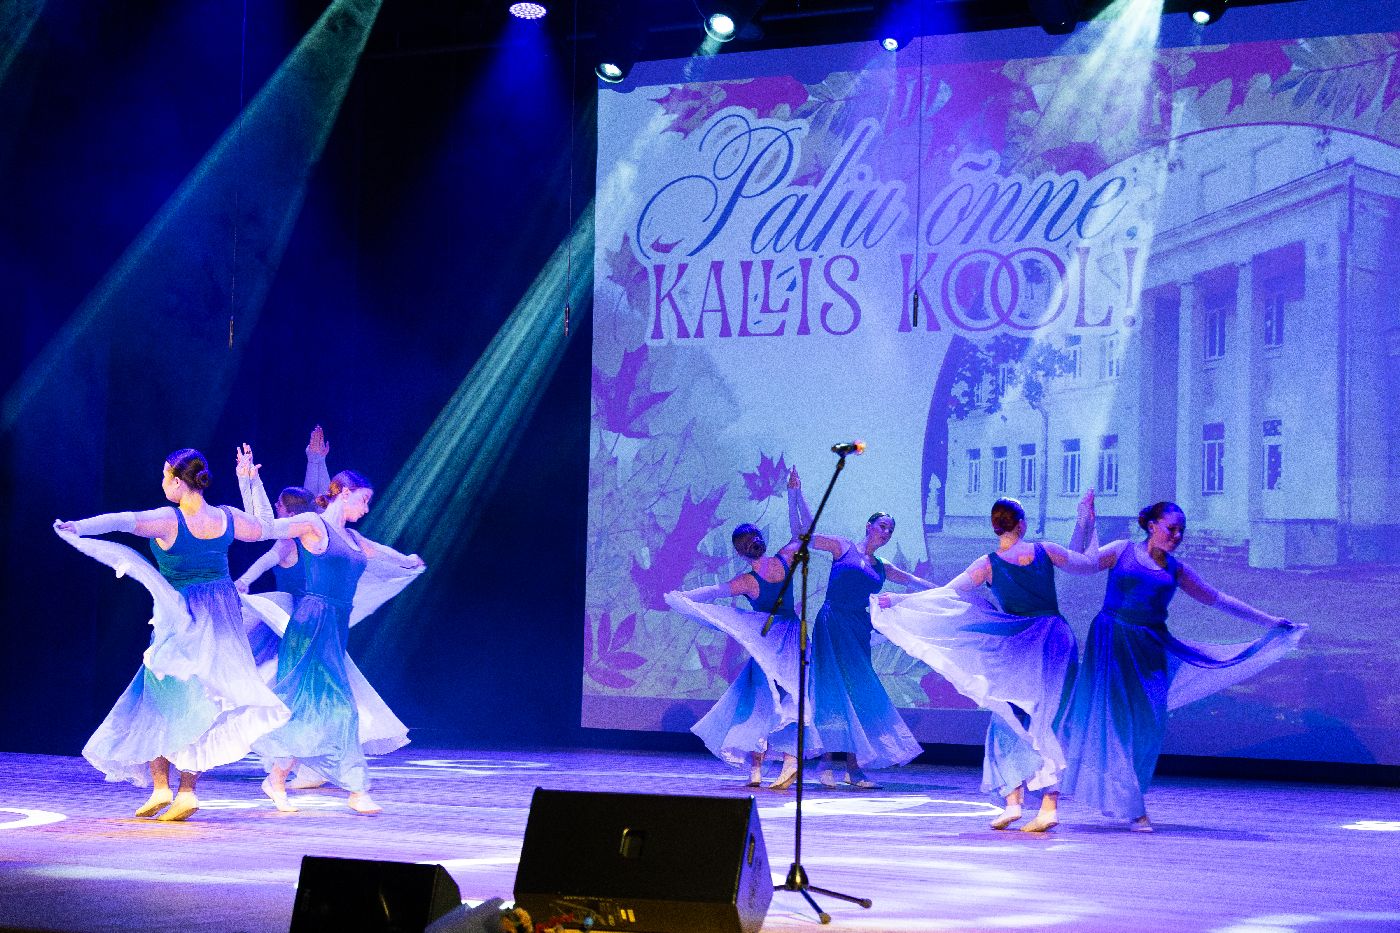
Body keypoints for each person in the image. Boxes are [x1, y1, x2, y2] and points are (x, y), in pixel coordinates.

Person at [53, 448, 291, 821]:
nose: (163, 482)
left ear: (178, 482)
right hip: (221, 616)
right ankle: (181, 790)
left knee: (160, 698)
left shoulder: (169, 519)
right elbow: (266, 526)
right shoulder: (226, 517)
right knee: (204, 699)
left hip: (182, 617)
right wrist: (249, 480)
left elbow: (122, 520)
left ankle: (167, 788)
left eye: (165, 476)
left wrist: (79, 527)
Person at [1058, 501, 1306, 831]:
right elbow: (1079, 564)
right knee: (1114, 721)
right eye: (1171, 529)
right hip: (1112, 642)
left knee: (1148, 726)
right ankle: (1134, 807)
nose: (1176, 536)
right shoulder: (1121, 550)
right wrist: (1084, 523)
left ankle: (1128, 796)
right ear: (1152, 526)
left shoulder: (1176, 570)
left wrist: (1270, 621)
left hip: (1151, 648)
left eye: (1181, 531)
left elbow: (1218, 599)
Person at [873, 493, 1099, 833]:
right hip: (1053, 639)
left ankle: (1015, 801)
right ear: (1021, 524)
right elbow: (1086, 563)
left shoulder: (988, 563)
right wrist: (1086, 522)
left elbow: (946, 594)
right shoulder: (1045, 550)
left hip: (1020, 643)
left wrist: (900, 600)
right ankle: (1045, 805)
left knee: (1007, 719)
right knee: (1045, 720)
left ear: (995, 527)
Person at [247, 463, 424, 815]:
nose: (367, 508)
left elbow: (381, 551)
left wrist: (406, 560)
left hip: (334, 629)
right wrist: (250, 483)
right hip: (309, 626)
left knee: (312, 709)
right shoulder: (314, 526)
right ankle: (357, 790)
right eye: (363, 499)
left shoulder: (354, 539)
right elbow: (267, 527)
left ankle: (277, 779)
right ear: (344, 493)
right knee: (337, 708)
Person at [788, 468, 934, 787]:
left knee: (856, 692)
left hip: (858, 629)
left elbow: (916, 582)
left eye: (890, 530)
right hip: (832, 623)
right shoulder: (843, 547)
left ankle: (853, 769)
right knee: (831, 690)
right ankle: (827, 763)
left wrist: (951, 592)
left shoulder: (883, 566)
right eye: (882, 526)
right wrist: (795, 494)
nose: (886, 533)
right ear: (869, 526)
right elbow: (804, 531)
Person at [666, 523, 820, 789]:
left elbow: (714, 591)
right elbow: (803, 532)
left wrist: (682, 597)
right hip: (792, 638)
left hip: (768, 642)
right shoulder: (784, 559)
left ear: (740, 553)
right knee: (794, 696)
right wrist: (794, 499)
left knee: (760, 701)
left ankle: (758, 769)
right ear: (760, 541)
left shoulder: (748, 581)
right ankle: (788, 761)